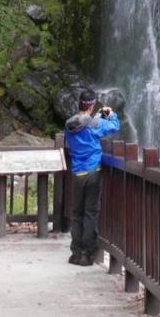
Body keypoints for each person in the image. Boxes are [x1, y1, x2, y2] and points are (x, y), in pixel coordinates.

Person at [64, 89, 120, 266]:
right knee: (90, 213)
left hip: (77, 173)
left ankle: (75, 252)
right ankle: (87, 254)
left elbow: (85, 123)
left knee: (76, 213)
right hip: (93, 172)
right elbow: (114, 126)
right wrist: (110, 113)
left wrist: (98, 115)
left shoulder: (69, 124)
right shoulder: (95, 123)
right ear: (92, 105)